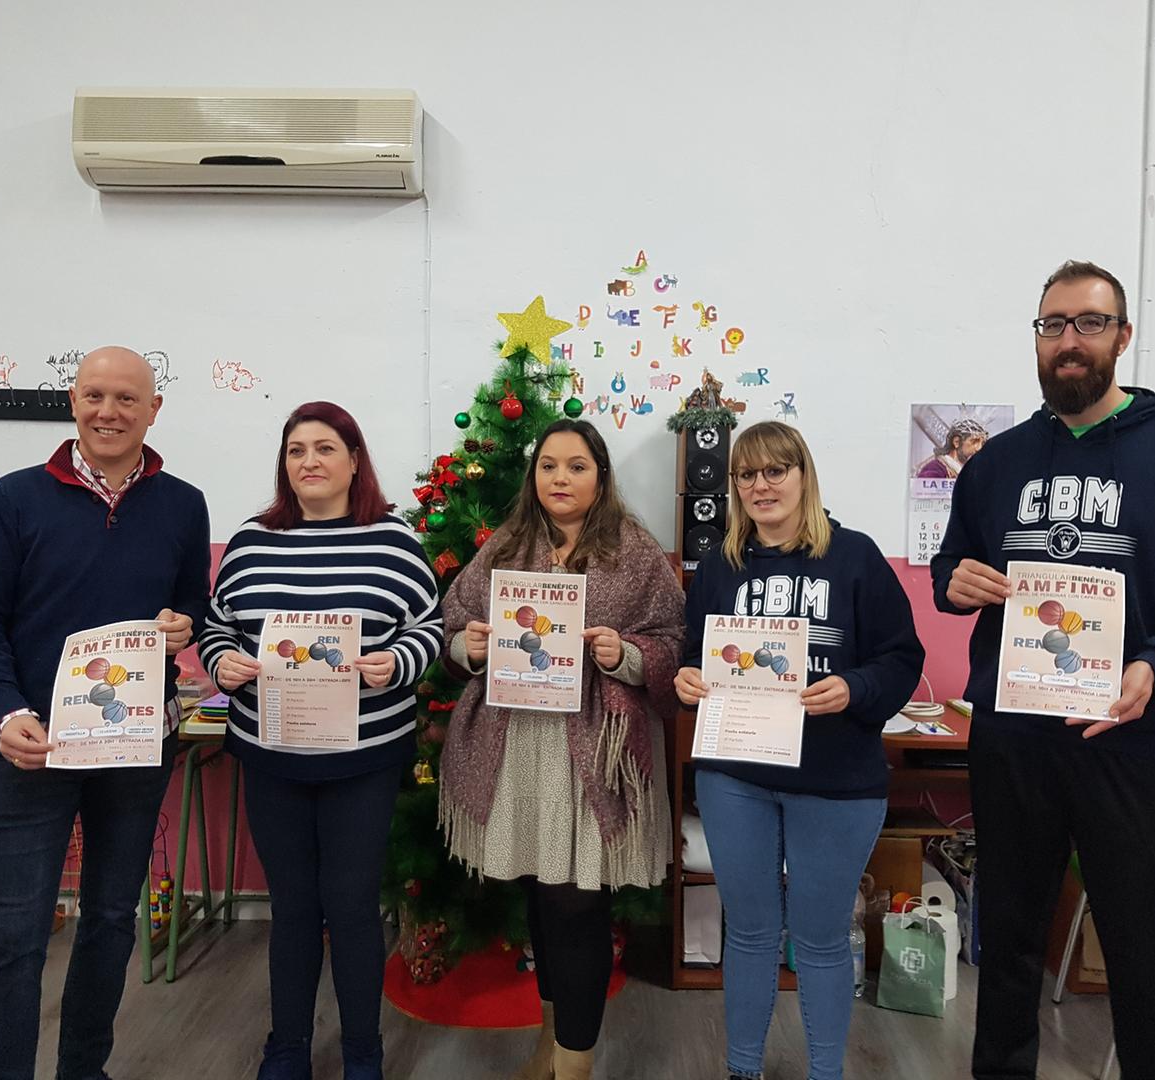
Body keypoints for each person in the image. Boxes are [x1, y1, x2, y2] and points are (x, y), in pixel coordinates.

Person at [931, 260, 1155, 1080]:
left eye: (1087, 323)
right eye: (1052, 325)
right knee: (1005, 946)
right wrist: (955, 583)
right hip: (1015, 745)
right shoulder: (996, 464)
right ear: (1037, 339)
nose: (1068, 341)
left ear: (1123, 336)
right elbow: (951, 569)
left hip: (1133, 744)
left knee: (1145, 963)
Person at [0, 346, 210, 1080]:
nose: (108, 411)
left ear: (153, 409)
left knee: (106, 922)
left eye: (126, 399)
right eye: (94, 395)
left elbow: (192, 600)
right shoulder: (14, 497)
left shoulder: (184, 504)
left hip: (134, 747)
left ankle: (82, 1070)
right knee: (12, 937)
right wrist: (4, 713)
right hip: (31, 746)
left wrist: (184, 623)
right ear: (72, 401)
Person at [198, 402, 442, 1080]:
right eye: (296, 449)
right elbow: (217, 627)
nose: (309, 460)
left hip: (362, 759)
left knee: (354, 907)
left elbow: (430, 626)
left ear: (354, 460)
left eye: (325, 448)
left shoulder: (393, 540)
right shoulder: (252, 540)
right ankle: (288, 1046)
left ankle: (363, 1049)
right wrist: (221, 663)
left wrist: (398, 662)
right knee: (294, 907)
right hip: (271, 752)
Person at [674, 419, 924, 1080]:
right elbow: (691, 656)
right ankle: (742, 1069)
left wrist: (855, 686)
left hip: (835, 781)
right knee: (751, 933)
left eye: (775, 470)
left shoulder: (856, 557)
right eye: (746, 475)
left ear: (803, 475)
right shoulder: (720, 567)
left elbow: (902, 659)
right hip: (736, 774)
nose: (761, 486)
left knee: (818, 939)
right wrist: (686, 678)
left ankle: (824, 1072)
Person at [438, 419, 684, 1080]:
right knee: (543, 900)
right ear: (534, 475)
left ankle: (575, 1064)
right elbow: (454, 624)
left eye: (576, 466)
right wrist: (472, 647)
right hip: (517, 745)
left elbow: (673, 641)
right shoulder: (508, 546)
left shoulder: (633, 550)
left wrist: (626, 655)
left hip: (592, 751)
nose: (561, 479)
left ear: (600, 475)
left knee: (578, 903)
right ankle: (551, 1046)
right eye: (549, 465)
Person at [916, 417, 989, 479]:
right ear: (956, 442)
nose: (979, 448)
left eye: (982, 444)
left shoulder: (973, 473)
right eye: (974, 442)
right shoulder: (934, 470)